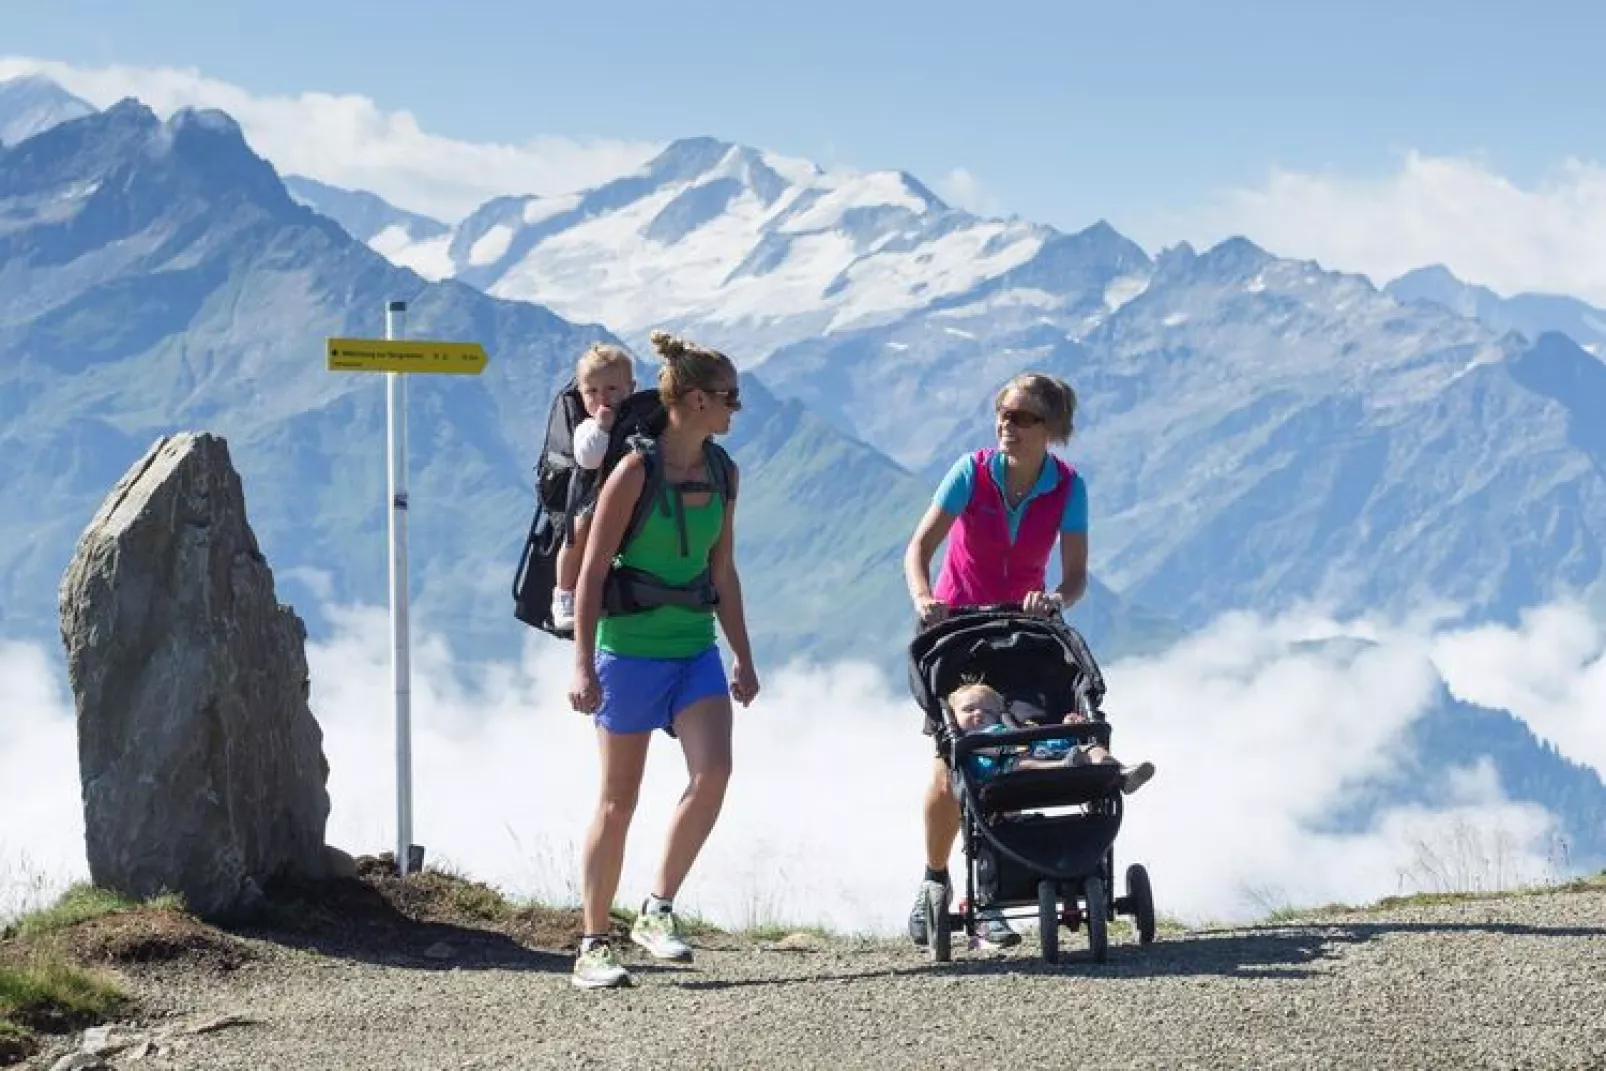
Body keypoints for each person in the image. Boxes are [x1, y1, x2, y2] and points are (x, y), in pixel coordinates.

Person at [566, 330, 760, 990]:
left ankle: (657, 908)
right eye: (730, 397)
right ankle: (593, 943)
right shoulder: (634, 472)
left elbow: (724, 572)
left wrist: (743, 656)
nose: (737, 410)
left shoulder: (723, 472)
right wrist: (583, 665)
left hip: (694, 649)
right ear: (699, 399)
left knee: (715, 772)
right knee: (618, 800)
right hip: (629, 655)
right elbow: (591, 574)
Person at [903, 371, 1089, 950]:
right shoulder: (971, 472)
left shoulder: (1067, 487)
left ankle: (995, 889)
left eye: (1024, 416)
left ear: (1051, 429)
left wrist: (1055, 598)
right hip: (957, 633)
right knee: (955, 762)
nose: (1008, 424)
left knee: (1021, 747)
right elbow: (919, 549)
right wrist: (924, 598)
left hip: (1024, 634)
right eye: (1003, 413)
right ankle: (936, 877)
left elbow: (1076, 577)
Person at [551, 343, 637, 631]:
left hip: (622, 495)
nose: (603, 398)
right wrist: (601, 428)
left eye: (612, 389)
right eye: (592, 391)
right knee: (577, 535)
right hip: (590, 496)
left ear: (630, 388)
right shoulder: (586, 427)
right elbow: (588, 459)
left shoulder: (637, 422)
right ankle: (564, 593)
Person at [948, 682, 1155, 792]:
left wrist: (1068, 730)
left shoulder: (1015, 729)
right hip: (1005, 772)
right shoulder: (968, 747)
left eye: (987, 710)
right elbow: (976, 771)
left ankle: (1119, 773)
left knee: (1092, 748)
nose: (978, 714)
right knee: (1021, 762)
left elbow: (1045, 742)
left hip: (1044, 752)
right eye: (969, 709)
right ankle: (1064, 765)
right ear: (954, 718)